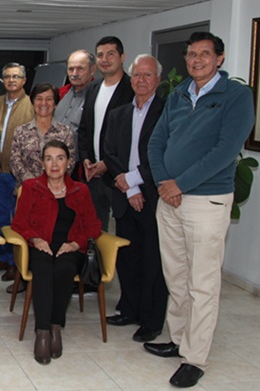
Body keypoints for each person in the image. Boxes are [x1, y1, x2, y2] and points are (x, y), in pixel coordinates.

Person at [146, 32, 255, 388]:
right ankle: (178, 340)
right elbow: (156, 141)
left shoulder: (237, 96)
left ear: (219, 58)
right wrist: (165, 182)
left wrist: (181, 183)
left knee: (202, 283)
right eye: (191, 54)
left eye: (204, 54)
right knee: (176, 276)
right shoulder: (178, 95)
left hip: (206, 201)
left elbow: (226, 150)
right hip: (171, 199)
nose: (196, 60)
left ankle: (195, 358)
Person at [11, 140, 101, 365]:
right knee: (42, 268)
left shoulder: (81, 190)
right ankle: (42, 332)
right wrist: (35, 238)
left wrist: (74, 244)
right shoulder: (32, 187)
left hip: (70, 247)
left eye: (60, 158)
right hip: (40, 245)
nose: (54, 164)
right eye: (49, 158)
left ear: (68, 162)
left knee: (65, 269)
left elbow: (94, 226)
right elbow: (19, 223)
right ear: (42, 162)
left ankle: (55, 326)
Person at [103, 54, 167, 343]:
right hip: (125, 196)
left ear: (158, 80)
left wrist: (135, 181)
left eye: (148, 75)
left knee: (153, 261)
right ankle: (128, 308)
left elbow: (165, 156)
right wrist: (129, 188)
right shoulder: (119, 114)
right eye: (137, 75)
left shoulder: (167, 112)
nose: (141, 80)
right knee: (128, 258)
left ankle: (151, 320)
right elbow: (110, 153)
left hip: (154, 198)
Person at [77, 36, 135, 231]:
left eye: (111, 54)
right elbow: (84, 128)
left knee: (125, 229)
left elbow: (131, 137)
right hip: (93, 174)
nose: (105, 59)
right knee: (95, 228)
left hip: (121, 174)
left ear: (122, 57)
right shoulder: (92, 88)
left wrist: (108, 164)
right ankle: (98, 263)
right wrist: (86, 158)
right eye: (100, 55)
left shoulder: (132, 89)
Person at [0, 62, 35, 280]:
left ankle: (17, 262)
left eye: (16, 76)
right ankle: (3, 257)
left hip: (20, 174)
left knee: (18, 219)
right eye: (7, 77)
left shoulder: (32, 105)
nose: (11, 80)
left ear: (24, 80)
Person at [54, 49, 96, 163]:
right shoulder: (60, 94)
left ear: (92, 70)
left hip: (80, 166)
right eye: (71, 69)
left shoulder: (97, 97)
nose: (74, 73)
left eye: (80, 69)